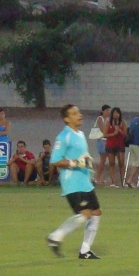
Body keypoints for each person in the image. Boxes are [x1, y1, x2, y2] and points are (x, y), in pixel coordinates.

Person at [44, 105, 103, 260]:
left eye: (79, 112)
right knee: (84, 215)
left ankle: (85, 250)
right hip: (73, 183)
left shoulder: (81, 134)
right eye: (75, 113)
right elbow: (55, 160)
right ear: (66, 118)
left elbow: (82, 156)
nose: (79, 115)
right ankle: (55, 236)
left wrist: (87, 161)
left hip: (85, 182)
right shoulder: (64, 136)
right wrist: (74, 163)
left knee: (96, 213)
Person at [102, 107, 126, 187]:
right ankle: (113, 182)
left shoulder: (122, 123)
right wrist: (113, 133)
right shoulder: (108, 123)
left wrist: (119, 130)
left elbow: (125, 134)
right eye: (115, 113)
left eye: (118, 113)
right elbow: (104, 134)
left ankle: (123, 181)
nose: (116, 115)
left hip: (120, 144)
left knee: (121, 162)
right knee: (112, 163)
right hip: (110, 145)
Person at [92, 104, 112, 185]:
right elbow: (103, 130)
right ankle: (97, 177)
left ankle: (100, 177)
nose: (108, 112)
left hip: (107, 140)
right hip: (101, 141)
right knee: (102, 160)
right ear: (103, 111)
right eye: (107, 110)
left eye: (109, 110)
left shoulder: (108, 119)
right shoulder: (100, 119)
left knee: (104, 160)